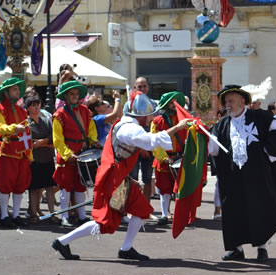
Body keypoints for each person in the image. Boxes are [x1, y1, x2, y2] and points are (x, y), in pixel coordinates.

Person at [51, 93, 192, 261]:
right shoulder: (130, 128)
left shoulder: (126, 124)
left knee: (141, 209)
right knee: (104, 222)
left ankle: (126, 248)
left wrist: (127, 178)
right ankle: (62, 241)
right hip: (114, 179)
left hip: (118, 176)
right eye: (149, 114)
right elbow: (150, 141)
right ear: (140, 115)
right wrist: (178, 127)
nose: (151, 117)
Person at [209, 85, 276, 262]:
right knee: (234, 212)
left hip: (257, 175)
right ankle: (236, 249)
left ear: (242, 101)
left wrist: (267, 150)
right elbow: (213, 149)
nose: (228, 104)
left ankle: (262, 248)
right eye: (226, 101)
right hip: (232, 177)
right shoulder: (221, 125)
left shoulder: (259, 117)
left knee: (260, 209)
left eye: (231, 101)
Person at [52, 80, 100, 227]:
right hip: (68, 153)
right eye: (71, 94)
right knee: (65, 186)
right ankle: (64, 216)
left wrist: (94, 141)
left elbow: (91, 130)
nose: (74, 96)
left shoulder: (86, 111)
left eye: (76, 94)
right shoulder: (59, 114)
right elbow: (57, 140)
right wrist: (67, 154)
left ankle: (81, 216)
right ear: (66, 96)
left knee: (81, 185)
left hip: (83, 153)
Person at [0, 78, 32, 228]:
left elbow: (27, 133)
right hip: (7, 151)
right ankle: (4, 216)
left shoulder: (22, 110)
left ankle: (15, 215)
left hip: (22, 152)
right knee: (4, 184)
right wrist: (14, 128)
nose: (17, 92)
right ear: (6, 92)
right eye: (14, 89)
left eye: (17, 89)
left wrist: (30, 154)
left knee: (20, 184)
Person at [151, 91, 189, 225]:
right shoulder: (156, 121)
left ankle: (182, 215)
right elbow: (155, 142)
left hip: (180, 159)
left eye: (175, 102)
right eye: (172, 102)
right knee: (165, 190)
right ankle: (164, 215)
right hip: (165, 160)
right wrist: (164, 158)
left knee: (182, 190)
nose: (174, 105)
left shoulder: (184, 120)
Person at [126, 77, 158, 202]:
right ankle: (131, 208)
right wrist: (139, 147)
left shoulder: (153, 104)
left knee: (148, 178)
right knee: (132, 178)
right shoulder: (128, 105)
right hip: (133, 147)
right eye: (140, 87)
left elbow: (154, 126)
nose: (143, 89)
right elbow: (128, 127)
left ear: (148, 87)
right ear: (135, 88)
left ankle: (145, 209)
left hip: (148, 146)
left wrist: (146, 146)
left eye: (144, 86)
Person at [26, 96, 57, 223]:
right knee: (34, 189)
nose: (36, 107)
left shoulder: (47, 121)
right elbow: (29, 142)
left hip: (48, 159)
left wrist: (41, 143)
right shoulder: (26, 123)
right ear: (28, 108)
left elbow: (53, 139)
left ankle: (52, 214)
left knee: (50, 188)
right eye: (33, 105)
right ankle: (33, 214)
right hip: (34, 160)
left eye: (38, 104)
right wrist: (45, 142)